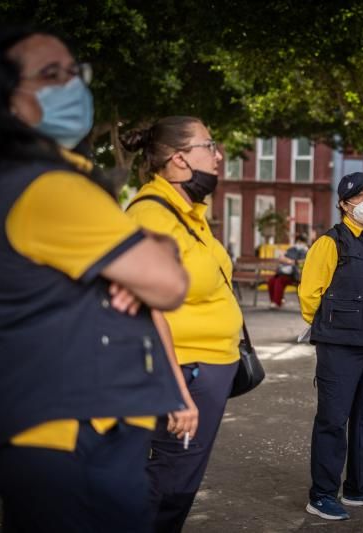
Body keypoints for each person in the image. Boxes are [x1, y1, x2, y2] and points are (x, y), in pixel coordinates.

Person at [0, 28, 194, 532]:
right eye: (51, 75)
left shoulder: (26, 179)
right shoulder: (51, 188)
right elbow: (168, 284)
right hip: (75, 434)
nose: (72, 87)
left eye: (74, 72)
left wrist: (149, 257)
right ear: (5, 101)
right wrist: (157, 255)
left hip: (54, 426)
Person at [120, 116, 243, 532]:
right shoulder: (153, 216)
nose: (219, 155)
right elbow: (146, 311)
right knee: (167, 487)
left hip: (205, 370)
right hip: (183, 373)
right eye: (209, 146)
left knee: (178, 483)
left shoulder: (188, 212)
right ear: (178, 160)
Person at [298, 172, 363, 521]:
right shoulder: (332, 243)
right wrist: (331, 326)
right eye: (361, 196)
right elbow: (309, 294)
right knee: (333, 418)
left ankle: (359, 488)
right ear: (344, 204)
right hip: (341, 343)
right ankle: (323, 494)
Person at [267, 234, 309, 308]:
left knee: (279, 281)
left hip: (295, 274)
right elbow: (281, 258)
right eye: (298, 241)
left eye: (301, 241)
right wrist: (288, 261)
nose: (299, 243)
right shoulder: (291, 249)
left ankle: (277, 302)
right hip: (284, 272)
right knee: (271, 281)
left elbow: (305, 261)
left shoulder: (307, 251)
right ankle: (274, 301)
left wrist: (293, 261)